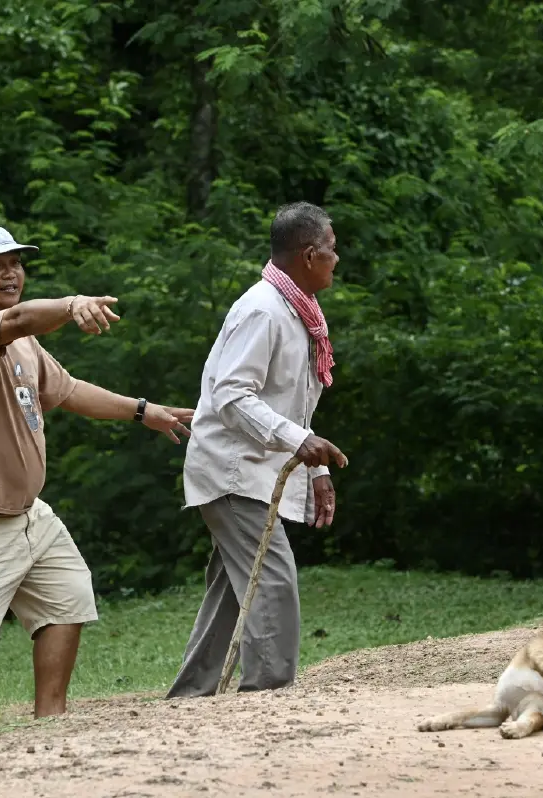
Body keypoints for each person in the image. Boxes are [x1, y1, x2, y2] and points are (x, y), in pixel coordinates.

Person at [0, 222, 194, 739]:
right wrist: (71, 305)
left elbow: (67, 391)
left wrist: (143, 411)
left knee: (67, 596)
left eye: (16, 263)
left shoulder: (24, 346)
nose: (10, 273)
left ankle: (50, 730)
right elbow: (22, 317)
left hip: (27, 514)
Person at [167, 201, 348, 699]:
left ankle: (191, 697)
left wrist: (313, 472)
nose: (337, 259)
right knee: (272, 581)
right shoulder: (262, 310)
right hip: (231, 472)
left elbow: (292, 405)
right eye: (332, 250)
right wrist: (298, 441)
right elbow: (230, 394)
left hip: (256, 472)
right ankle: (267, 698)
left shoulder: (298, 311)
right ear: (310, 255)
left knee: (234, 590)